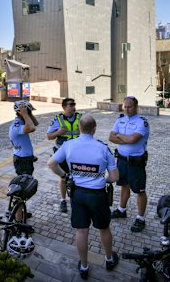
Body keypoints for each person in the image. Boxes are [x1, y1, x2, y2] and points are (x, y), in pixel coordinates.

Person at [48, 116, 119, 279]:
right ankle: (109, 259)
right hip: (98, 195)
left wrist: (65, 176)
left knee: (81, 230)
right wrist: (102, 179)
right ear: (94, 129)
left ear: (79, 128)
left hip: (78, 194)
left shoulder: (68, 145)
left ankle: (85, 267)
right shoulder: (103, 148)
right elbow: (115, 177)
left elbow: (51, 163)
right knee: (104, 228)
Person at [108, 96, 150, 232]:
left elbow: (133, 139)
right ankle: (122, 210)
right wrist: (124, 138)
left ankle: (140, 218)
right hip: (121, 160)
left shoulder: (142, 122)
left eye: (129, 106)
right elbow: (110, 137)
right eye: (125, 106)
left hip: (135, 163)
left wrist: (119, 136)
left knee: (139, 190)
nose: (126, 109)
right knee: (123, 185)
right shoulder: (119, 120)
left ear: (136, 107)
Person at [46, 97, 81, 213]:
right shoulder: (58, 120)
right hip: (62, 153)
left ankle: (78, 200)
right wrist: (58, 132)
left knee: (78, 176)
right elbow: (49, 136)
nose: (73, 107)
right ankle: (63, 200)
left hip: (77, 153)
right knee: (63, 177)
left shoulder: (81, 118)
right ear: (64, 107)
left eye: (74, 104)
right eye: (71, 105)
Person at [9, 101, 39, 175]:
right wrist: (25, 114)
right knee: (26, 184)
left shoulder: (22, 121)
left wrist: (29, 113)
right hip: (22, 161)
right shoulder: (16, 125)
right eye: (28, 112)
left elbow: (35, 123)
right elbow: (32, 128)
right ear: (20, 112)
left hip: (25, 159)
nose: (29, 114)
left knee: (28, 182)